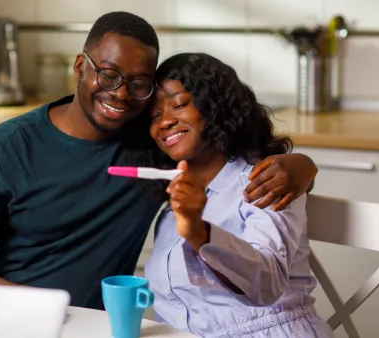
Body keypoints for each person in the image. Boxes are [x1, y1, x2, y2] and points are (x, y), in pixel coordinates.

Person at [0, 11, 318, 310]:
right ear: (80, 66)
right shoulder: (6, 148)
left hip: (102, 327)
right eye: (108, 75)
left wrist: (301, 167)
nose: (121, 94)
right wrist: (35, 305)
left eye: (139, 84)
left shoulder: (152, 142)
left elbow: (228, 157)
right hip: (8, 317)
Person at [137, 52, 333, 337]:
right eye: (154, 115)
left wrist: (199, 232)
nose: (164, 122)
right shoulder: (171, 207)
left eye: (179, 104)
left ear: (215, 106)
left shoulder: (265, 180)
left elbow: (266, 282)